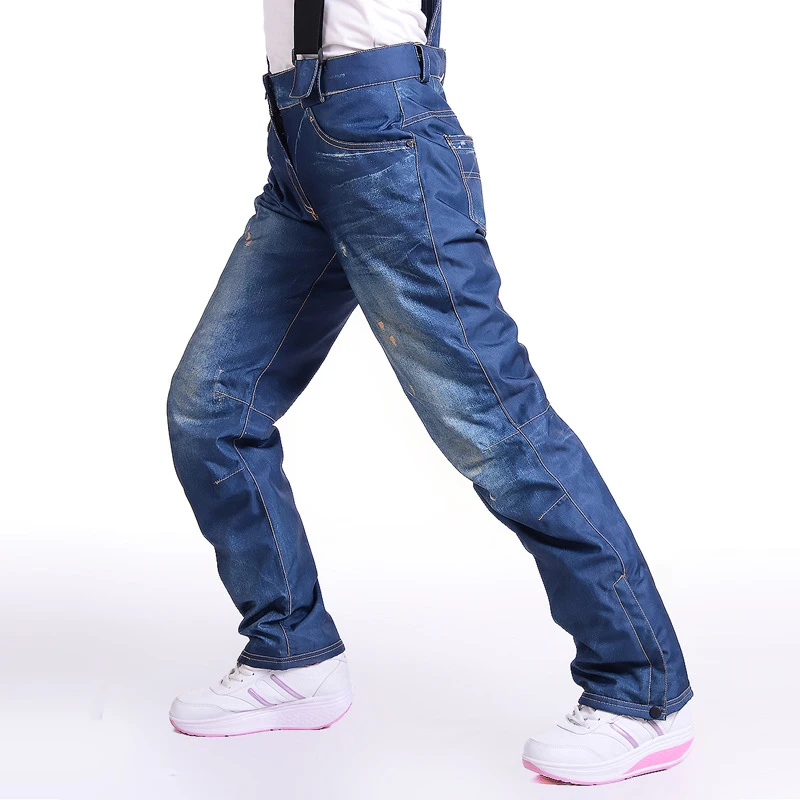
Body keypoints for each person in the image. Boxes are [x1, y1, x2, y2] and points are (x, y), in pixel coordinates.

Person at [166, 0, 695, 784]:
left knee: (498, 429)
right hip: (298, 143)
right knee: (211, 406)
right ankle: (291, 653)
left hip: (382, 135)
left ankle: (643, 691)